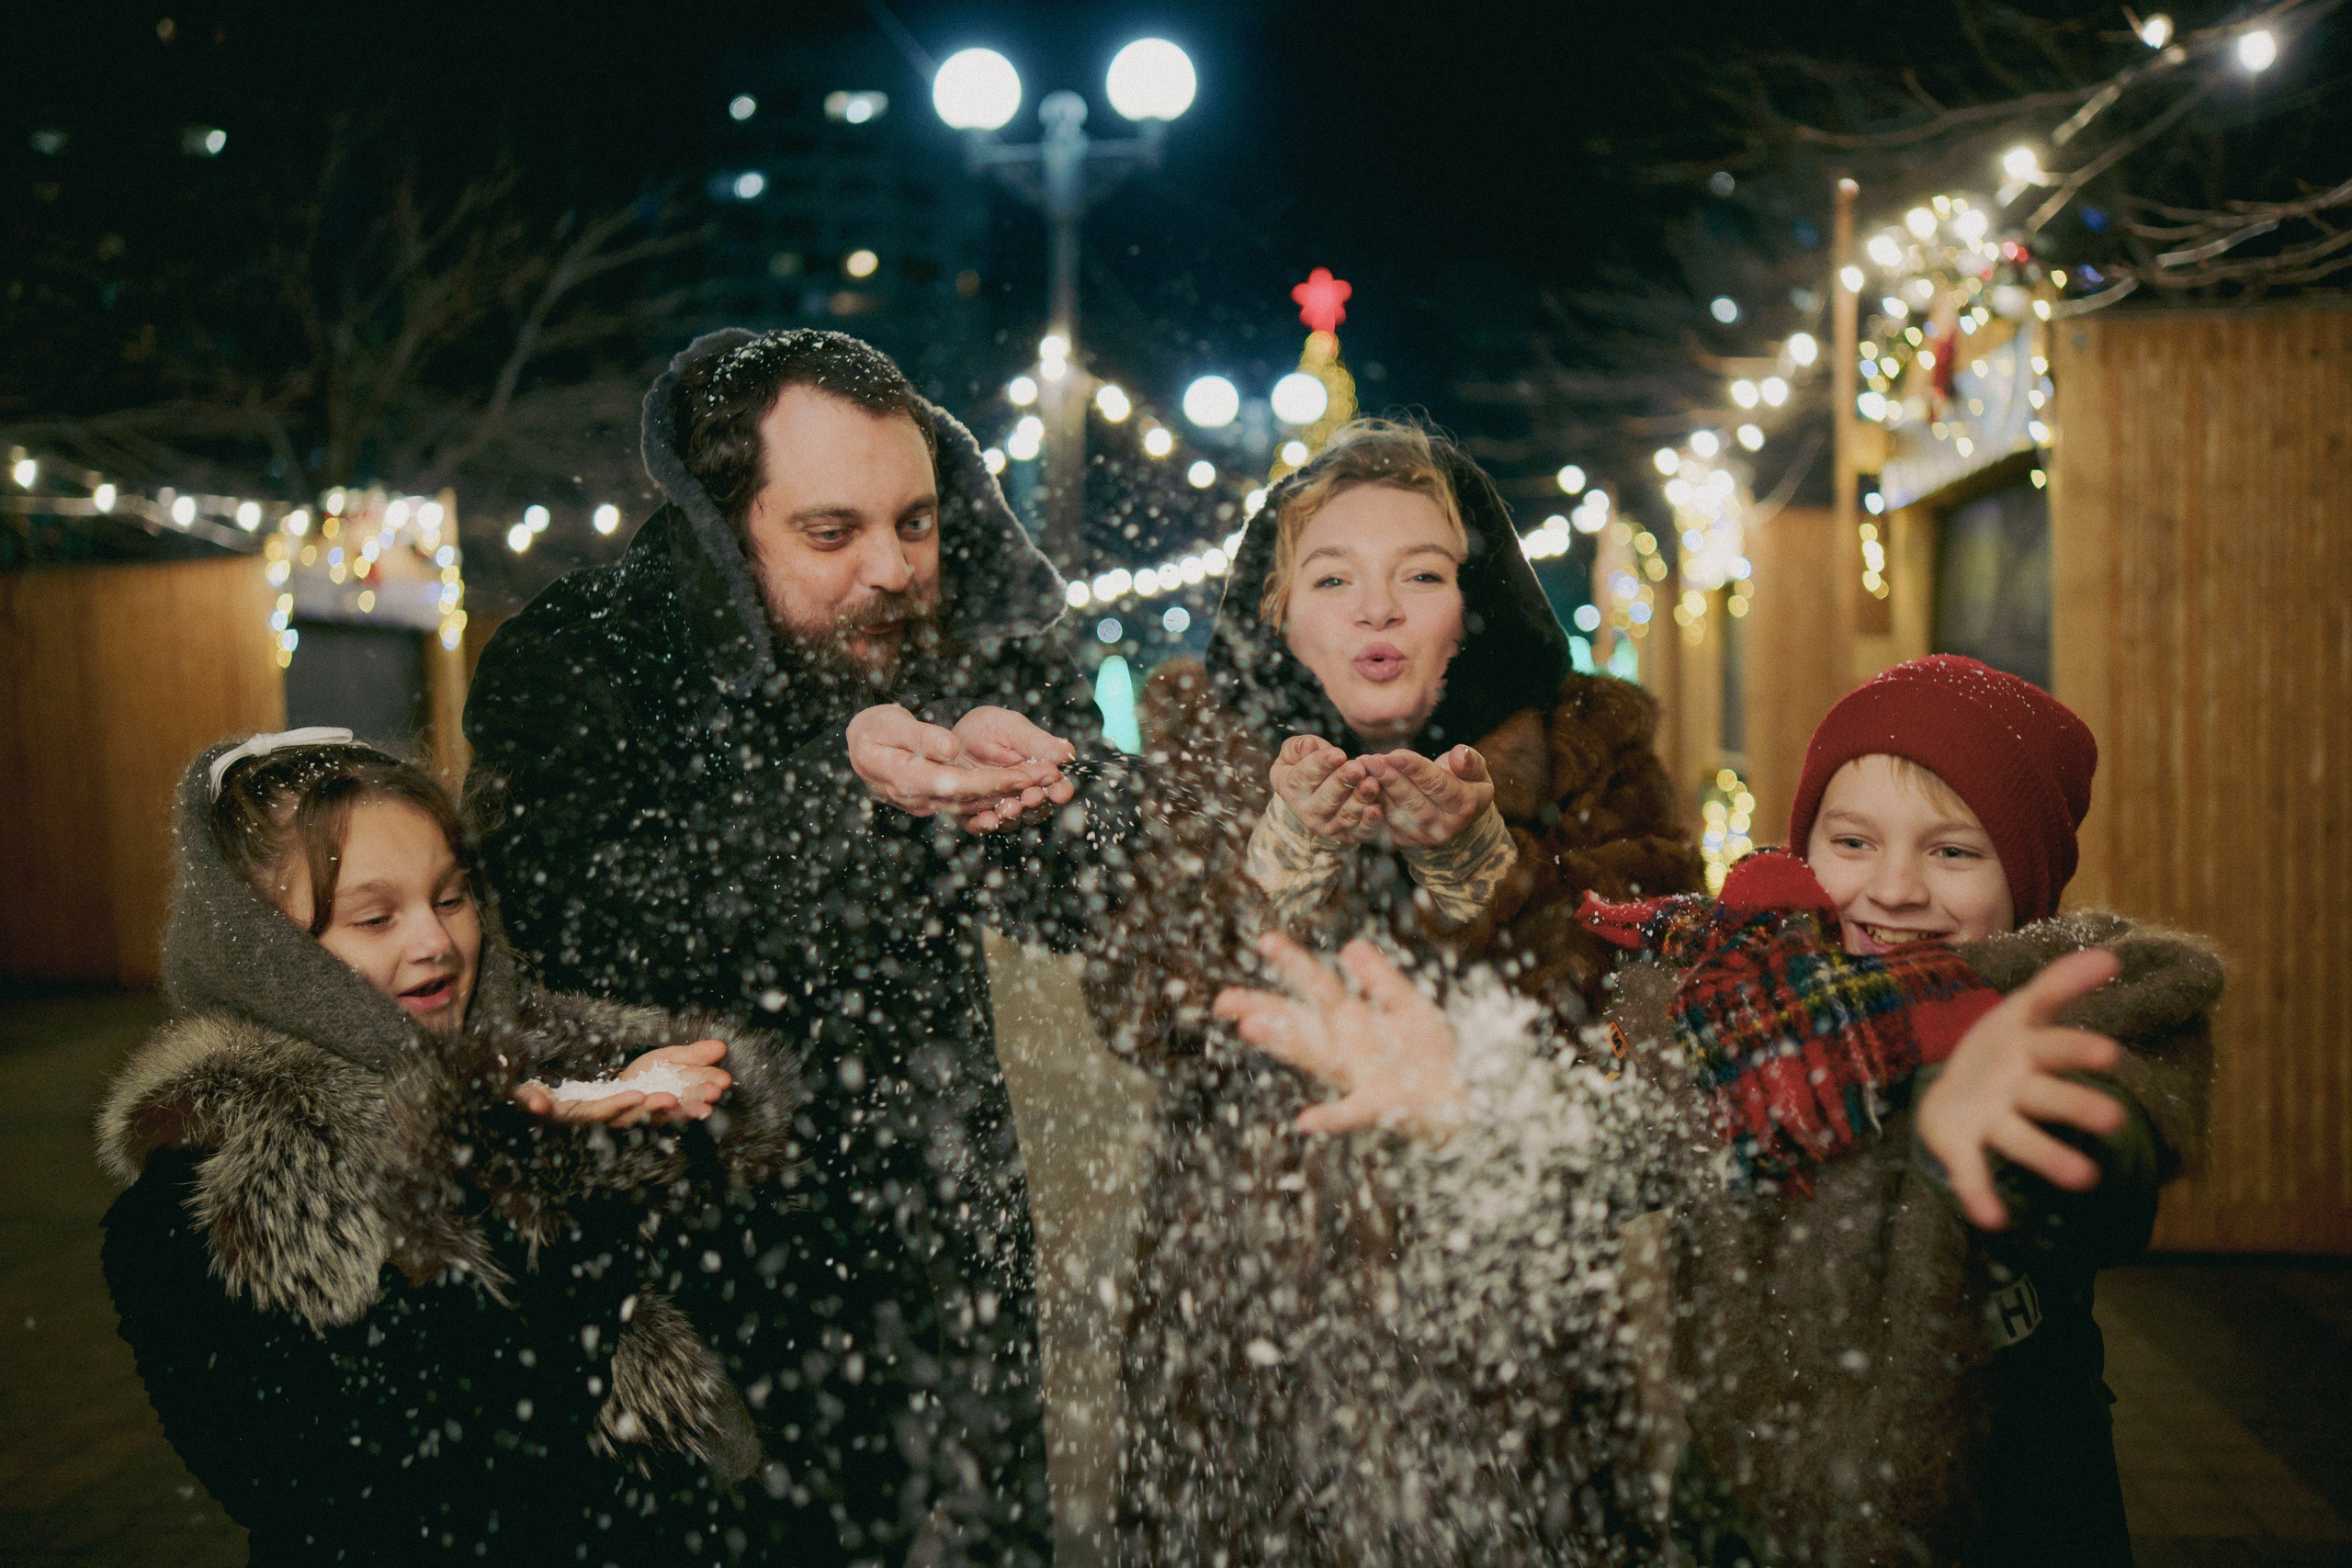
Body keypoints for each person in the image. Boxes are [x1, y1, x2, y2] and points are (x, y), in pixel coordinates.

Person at [1223, 655, 2222, 1567]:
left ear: (2029, 873)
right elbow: (1618, 1151)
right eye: (1852, 840)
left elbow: (2114, 1171)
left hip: (2007, 1507)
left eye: (1954, 853)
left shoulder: (2091, 997)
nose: (1894, 886)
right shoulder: (1751, 1007)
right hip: (1740, 1499)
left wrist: (2005, 1128)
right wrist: (1474, 1109)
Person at [465, 328, 1142, 1564]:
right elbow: (597, 913)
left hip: (943, 1256)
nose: (893, 568)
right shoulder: (578, 663)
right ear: (729, 526)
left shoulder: (947, 655)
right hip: (693, 1292)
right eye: (832, 533)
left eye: (920, 523)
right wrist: (843, 786)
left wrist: (1052, 777)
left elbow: (1094, 890)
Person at [1080, 420, 1702, 1566]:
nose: (1378, 609)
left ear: (1472, 610)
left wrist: (1479, 871)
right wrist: (1280, 862)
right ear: (1277, 614)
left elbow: (1639, 1020)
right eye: (1333, 578)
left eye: (1421, 574)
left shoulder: (1591, 765)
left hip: (1509, 1335)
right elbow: (1133, 1009)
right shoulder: (1201, 762)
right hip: (1239, 1335)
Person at [99, 733, 936, 1566]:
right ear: (262, 956)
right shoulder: (205, 1206)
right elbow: (386, 1491)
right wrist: (552, 1195)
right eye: (374, 916)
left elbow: (778, 1332)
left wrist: (675, 1144)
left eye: (452, 897)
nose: (435, 942)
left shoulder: (561, 1064)